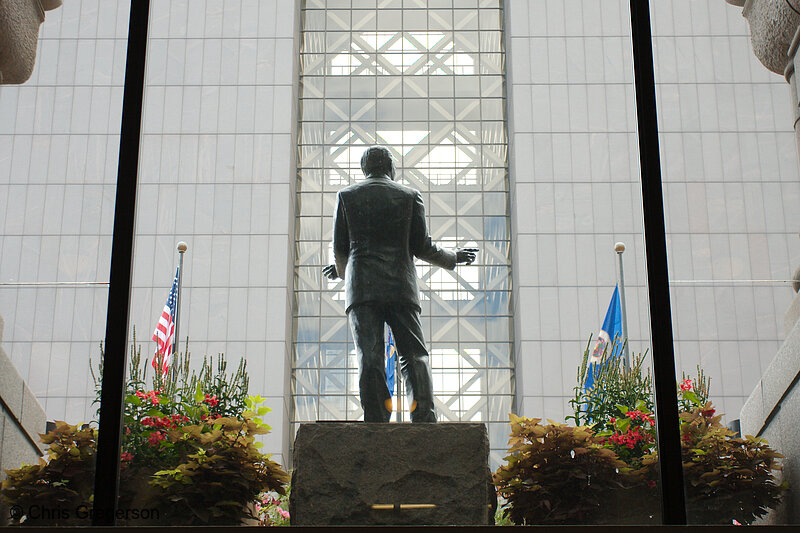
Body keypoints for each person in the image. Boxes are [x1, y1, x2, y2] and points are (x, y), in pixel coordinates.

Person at [323, 146, 477, 422]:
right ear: (391, 167)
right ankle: (424, 418)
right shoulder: (409, 196)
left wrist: (344, 272)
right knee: (413, 354)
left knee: (369, 356)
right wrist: (453, 258)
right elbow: (422, 247)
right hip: (400, 286)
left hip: (362, 289)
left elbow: (340, 248)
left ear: (364, 168)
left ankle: (376, 418)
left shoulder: (347, 196)